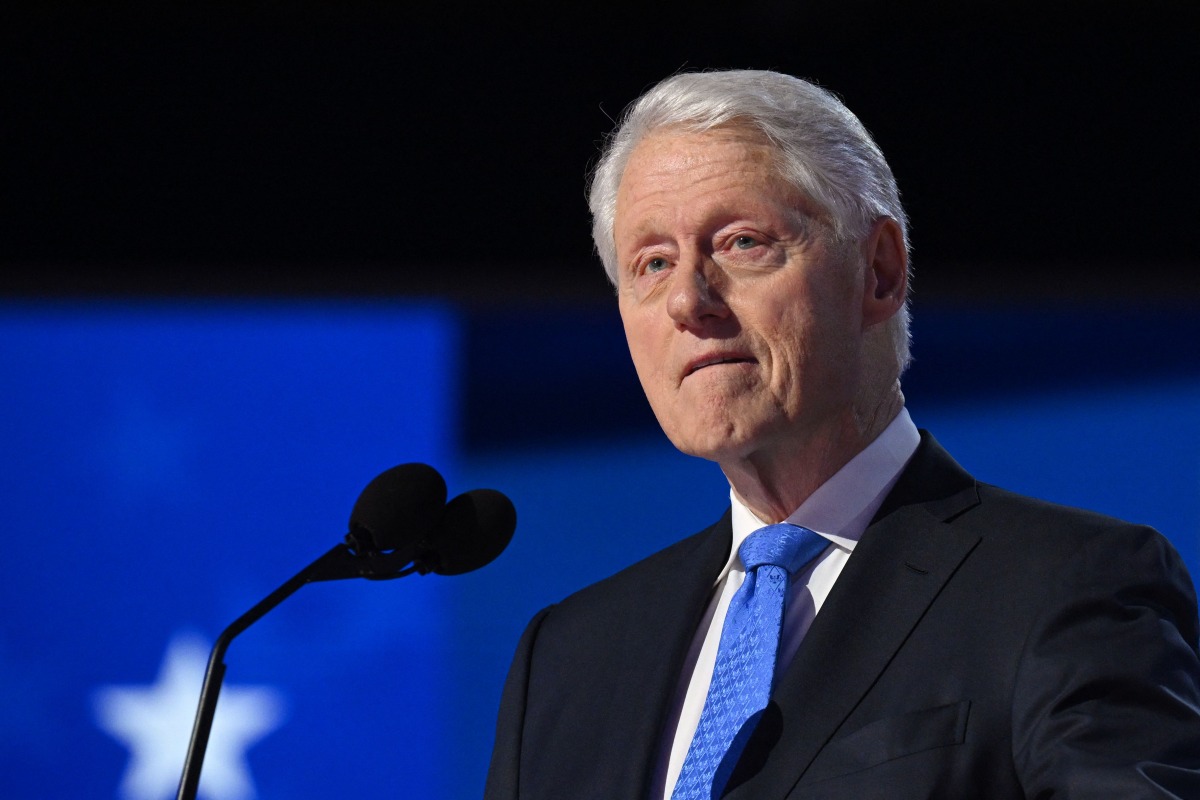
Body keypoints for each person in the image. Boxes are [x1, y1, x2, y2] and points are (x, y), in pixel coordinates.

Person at [484, 69, 1200, 799]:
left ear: (880, 272)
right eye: (654, 262)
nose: (687, 302)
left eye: (741, 243)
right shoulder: (566, 659)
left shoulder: (1068, 588)